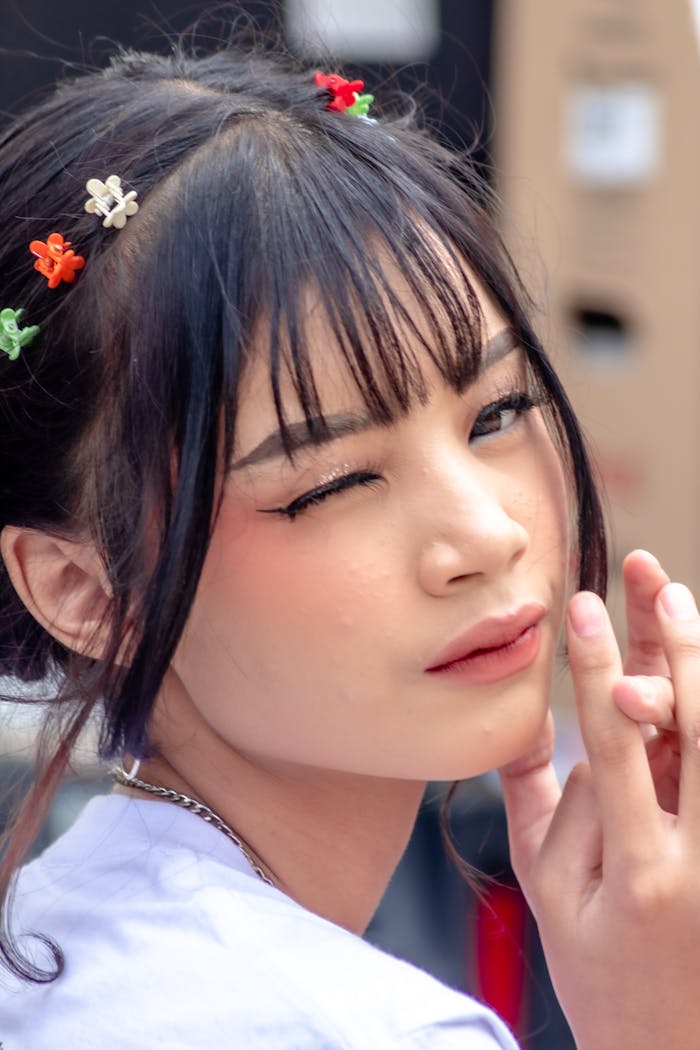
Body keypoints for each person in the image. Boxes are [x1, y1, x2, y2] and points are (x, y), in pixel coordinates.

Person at [0, 39, 695, 1050]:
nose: (484, 535)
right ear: (82, 589)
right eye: (333, 481)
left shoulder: (64, 931)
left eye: (496, 413)